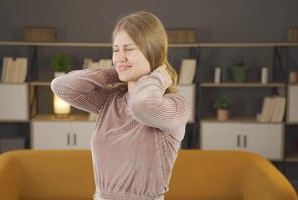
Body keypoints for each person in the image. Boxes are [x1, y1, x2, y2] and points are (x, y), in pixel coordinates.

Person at [51, 11, 192, 200]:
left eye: (129, 48)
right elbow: (61, 86)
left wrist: (157, 77)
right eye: (116, 50)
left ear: (153, 52)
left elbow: (142, 106)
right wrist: (117, 71)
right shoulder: (110, 101)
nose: (119, 56)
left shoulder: (176, 106)